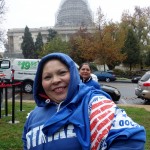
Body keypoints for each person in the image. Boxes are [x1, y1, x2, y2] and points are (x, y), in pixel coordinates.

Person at [22, 52, 146, 150]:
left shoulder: (93, 104)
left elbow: (132, 139)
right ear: (40, 83)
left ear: (74, 74)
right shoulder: (33, 115)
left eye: (62, 73)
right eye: (47, 77)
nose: (55, 80)